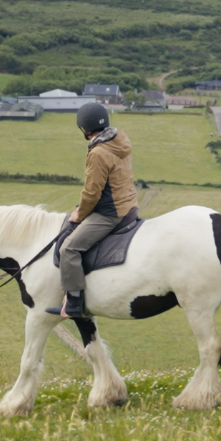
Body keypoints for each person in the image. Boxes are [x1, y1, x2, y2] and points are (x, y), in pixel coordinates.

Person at [46, 102, 138, 319]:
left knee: (68, 249)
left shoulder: (98, 152)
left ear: (84, 129)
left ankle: (74, 304)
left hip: (110, 213)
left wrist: (80, 213)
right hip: (129, 204)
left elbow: (92, 193)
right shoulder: (118, 141)